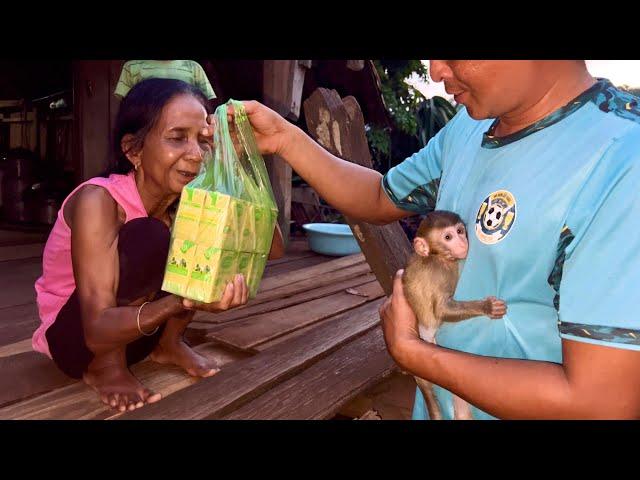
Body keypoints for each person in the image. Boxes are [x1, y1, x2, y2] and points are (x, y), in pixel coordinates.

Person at [227, 60, 640, 419]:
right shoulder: (468, 129)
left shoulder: (622, 160)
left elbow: (602, 403)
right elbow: (377, 195)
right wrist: (285, 138)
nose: (436, 71)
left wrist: (414, 354)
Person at [32, 78, 284, 413]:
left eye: (204, 141)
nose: (196, 155)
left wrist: (236, 162)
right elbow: (94, 328)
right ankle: (108, 369)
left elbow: (273, 248)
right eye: (177, 138)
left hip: (140, 332)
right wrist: (178, 302)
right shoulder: (99, 200)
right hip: (81, 343)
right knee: (150, 237)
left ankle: (168, 345)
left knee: (200, 237)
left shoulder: (187, 202)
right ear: (133, 150)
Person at [114, 60, 216, 100]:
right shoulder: (132, 66)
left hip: (186, 126)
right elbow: (126, 106)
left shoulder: (193, 67)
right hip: (146, 128)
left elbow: (206, 104)